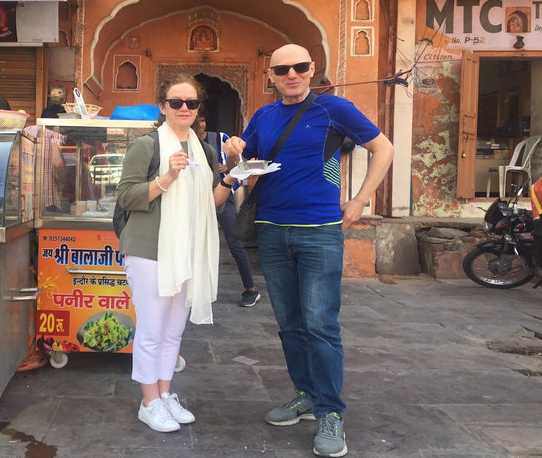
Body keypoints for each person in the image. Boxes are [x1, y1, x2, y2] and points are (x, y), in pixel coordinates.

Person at [222, 44, 394, 457]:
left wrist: (359, 199)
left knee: (320, 325)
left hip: (319, 230)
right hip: (271, 230)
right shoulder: (264, 115)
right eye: (283, 69)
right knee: (289, 324)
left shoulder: (335, 108)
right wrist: (236, 154)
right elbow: (251, 163)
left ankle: (331, 411)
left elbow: (383, 148)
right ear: (271, 75)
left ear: (312, 69)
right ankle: (305, 395)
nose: (292, 74)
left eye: (299, 67)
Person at [116, 73, 237, 433]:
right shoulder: (148, 145)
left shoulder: (205, 150)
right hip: (150, 250)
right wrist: (166, 178)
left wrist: (231, 177)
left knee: (173, 333)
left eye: (191, 103)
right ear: (163, 107)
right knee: (152, 331)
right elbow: (126, 196)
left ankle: (165, 394)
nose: (184, 108)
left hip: (187, 250)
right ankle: (148, 401)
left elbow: (212, 203)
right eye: (176, 102)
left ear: (199, 109)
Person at [192, 115, 260, 307]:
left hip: (222, 196)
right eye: (199, 122)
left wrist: (225, 169)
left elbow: (237, 165)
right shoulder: (186, 141)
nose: (202, 124)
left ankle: (251, 289)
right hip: (196, 199)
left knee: (235, 243)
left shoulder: (220, 137)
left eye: (204, 120)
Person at [23, 104, 68, 212]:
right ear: (57, 121)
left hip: (25, 198)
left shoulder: (26, 131)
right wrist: (62, 181)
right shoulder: (54, 135)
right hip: (47, 199)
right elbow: (57, 163)